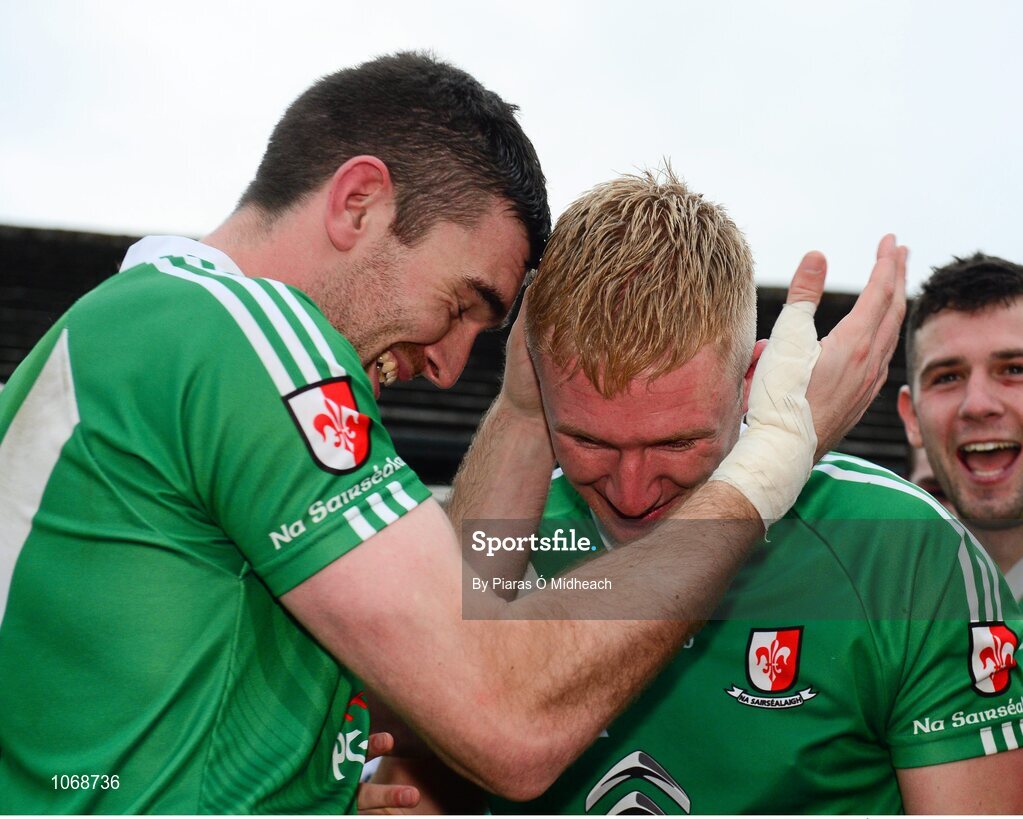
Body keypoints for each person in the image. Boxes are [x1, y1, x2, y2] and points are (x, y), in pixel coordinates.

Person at [0, 53, 904, 812]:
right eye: (465, 303)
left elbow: (434, 659)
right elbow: (505, 715)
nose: (447, 364)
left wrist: (521, 410)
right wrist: (773, 456)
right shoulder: (237, 335)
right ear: (358, 203)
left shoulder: (131, 334)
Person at [378, 171, 1022, 813]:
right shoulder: (508, 536)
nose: (632, 491)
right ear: (539, 387)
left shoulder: (900, 551)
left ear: (751, 379)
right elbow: (426, 725)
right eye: (590, 442)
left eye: (676, 443)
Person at [898, 253, 1023, 602]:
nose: (978, 405)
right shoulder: (867, 603)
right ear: (912, 418)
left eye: (1014, 369)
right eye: (948, 377)